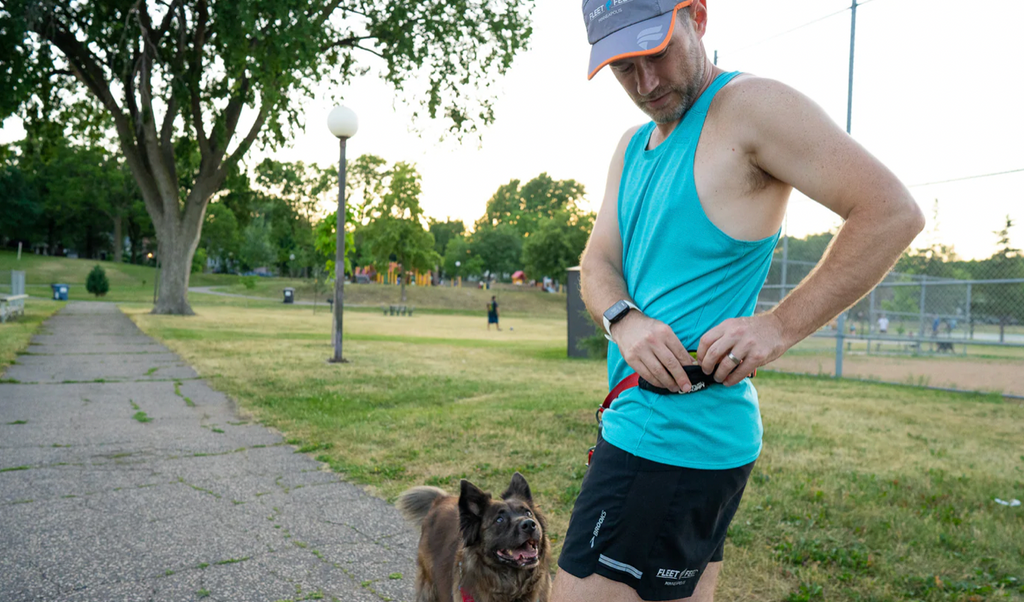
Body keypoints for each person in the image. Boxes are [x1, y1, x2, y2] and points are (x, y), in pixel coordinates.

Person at [554, 2, 924, 602]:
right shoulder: (631, 146)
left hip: (674, 436)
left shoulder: (749, 107)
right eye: (624, 68)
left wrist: (778, 326)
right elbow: (598, 263)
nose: (645, 83)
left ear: (697, 16)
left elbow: (891, 212)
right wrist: (623, 319)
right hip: (649, 427)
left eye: (656, 52)